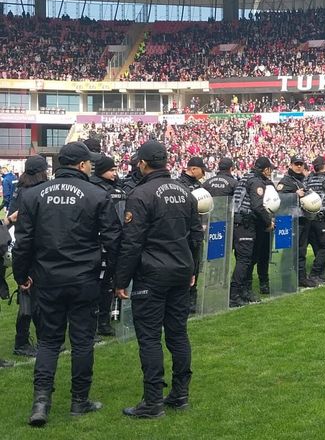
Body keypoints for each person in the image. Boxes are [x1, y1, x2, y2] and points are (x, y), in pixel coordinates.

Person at [13, 142, 121, 427]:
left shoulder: (34, 195)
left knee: (49, 341)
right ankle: (79, 400)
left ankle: (41, 403)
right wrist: (111, 276)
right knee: (82, 341)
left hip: (47, 278)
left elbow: (23, 242)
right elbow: (113, 239)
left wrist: (21, 275)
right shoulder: (97, 194)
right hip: (84, 279)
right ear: (83, 165)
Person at [114, 140, 202, 419]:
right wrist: (192, 270)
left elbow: (131, 242)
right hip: (180, 270)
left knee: (150, 337)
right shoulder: (185, 192)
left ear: (142, 164)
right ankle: (180, 393)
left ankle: (153, 401)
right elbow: (196, 235)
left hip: (152, 274)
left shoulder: (140, 194)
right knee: (178, 334)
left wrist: (120, 280)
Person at [7, 155, 50, 358]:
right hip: (35, 248)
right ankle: (25, 341)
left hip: (23, 246)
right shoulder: (37, 192)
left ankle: (32, 340)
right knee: (33, 297)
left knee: (31, 297)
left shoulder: (19, 189)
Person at [89, 154, 127, 337]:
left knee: (107, 283)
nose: (115, 173)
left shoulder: (115, 188)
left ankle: (103, 321)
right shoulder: (95, 190)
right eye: (112, 170)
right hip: (99, 243)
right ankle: (96, 322)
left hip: (111, 241)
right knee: (99, 283)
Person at [229, 157, 276, 306]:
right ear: (266, 169)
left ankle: (244, 290)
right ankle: (234, 294)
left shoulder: (245, 178)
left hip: (238, 222)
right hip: (245, 223)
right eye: (270, 169)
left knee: (246, 259)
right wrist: (268, 222)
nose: (270, 172)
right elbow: (257, 206)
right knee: (244, 260)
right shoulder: (256, 181)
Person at [276, 156, 318, 287]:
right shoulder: (286, 180)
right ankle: (286, 280)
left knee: (301, 250)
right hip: (291, 220)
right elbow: (279, 198)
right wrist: (295, 195)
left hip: (303, 219)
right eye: (296, 164)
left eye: (301, 164)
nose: (299, 166)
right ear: (291, 165)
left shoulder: (302, 180)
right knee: (289, 252)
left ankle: (301, 277)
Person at [176, 157, 208, 312]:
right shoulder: (179, 184)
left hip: (196, 231)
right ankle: (183, 299)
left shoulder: (198, 185)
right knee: (186, 266)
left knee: (195, 266)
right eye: (202, 170)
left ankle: (192, 299)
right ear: (194, 169)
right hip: (184, 233)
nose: (203, 174)